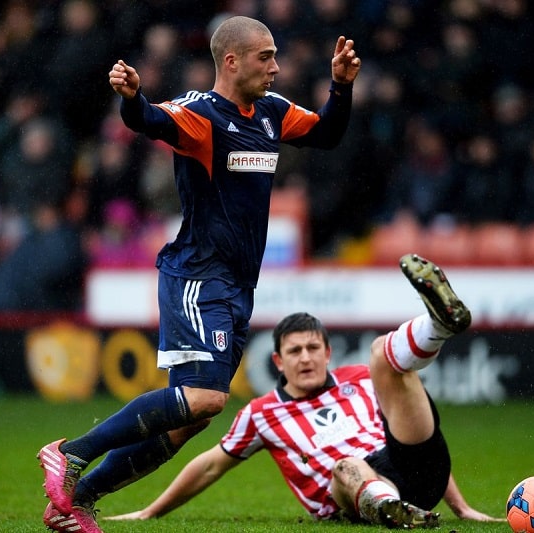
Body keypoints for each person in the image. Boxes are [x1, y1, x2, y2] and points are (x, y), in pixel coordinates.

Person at [38, 15, 361, 533]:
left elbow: (326, 133)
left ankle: (78, 500)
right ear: (231, 61)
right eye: (265, 57)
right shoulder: (200, 114)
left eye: (275, 55)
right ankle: (72, 453)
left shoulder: (271, 113)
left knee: (194, 419)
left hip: (238, 283)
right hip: (198, 274)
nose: (276, 67)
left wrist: (341, 87)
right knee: (208, 397)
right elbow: (149, 120)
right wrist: (132, 98)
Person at [105, 254, 502, 528]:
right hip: (349, 492)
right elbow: (210, 465)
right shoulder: (261, 414)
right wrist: (149, 513)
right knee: (346, 466)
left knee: (384, 355)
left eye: (314, 348)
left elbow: (408, 429)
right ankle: (388, 508)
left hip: (411, 468)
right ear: (278, 361)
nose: (306, 358)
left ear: (328, 353)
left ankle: (439, 327)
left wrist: (462, 508)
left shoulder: (360, 378)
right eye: (294, 351)